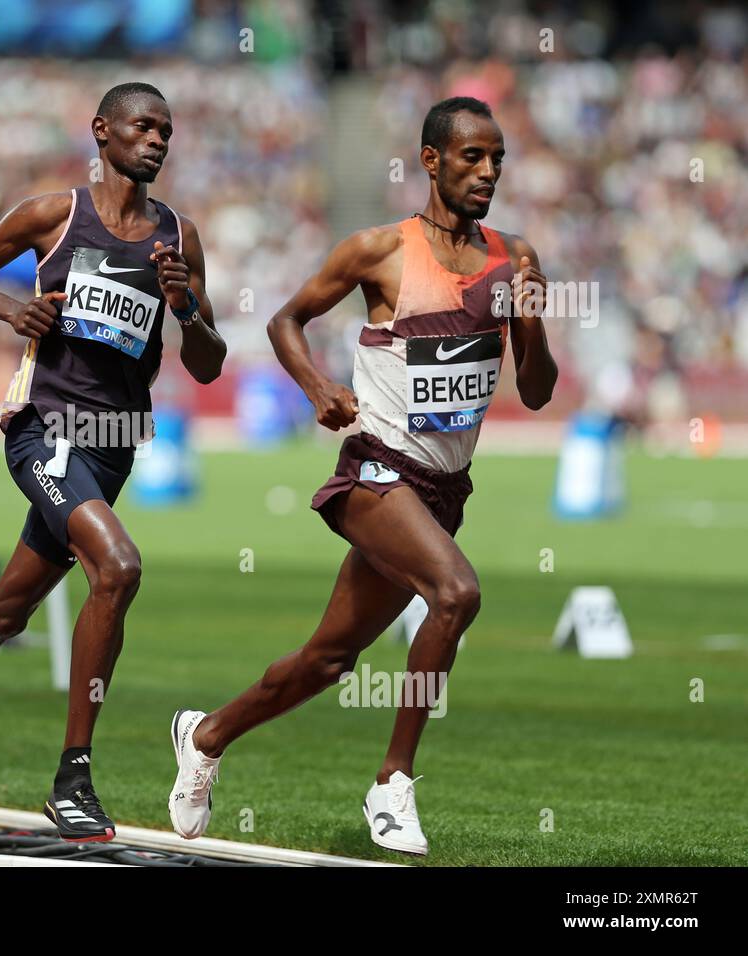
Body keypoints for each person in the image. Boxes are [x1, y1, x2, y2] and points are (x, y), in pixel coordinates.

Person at [167, 97, 558, 856]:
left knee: (328, 659)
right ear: (431, 161)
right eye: (472, 157)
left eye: (498, 159)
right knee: (457, 593)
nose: (488, 172)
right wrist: (318, 391)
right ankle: (393, 782)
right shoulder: (378, 250)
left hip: (442, 493)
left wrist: (532, 319)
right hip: (375, 474)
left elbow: (537, 390)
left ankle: (205, 736)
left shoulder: (516, 259)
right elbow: (285, 321)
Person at [0, 82, 227, 843]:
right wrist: (11, 310)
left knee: (5, 614)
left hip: (116, 443)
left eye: (167, 129)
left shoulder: (177, 237)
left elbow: (207, 364)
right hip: (45, 431)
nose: (158, 139)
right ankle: (73, 777)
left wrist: (185, 305)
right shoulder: (53, 215)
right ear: (103, 132)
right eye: (144, 126)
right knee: (119, 567)